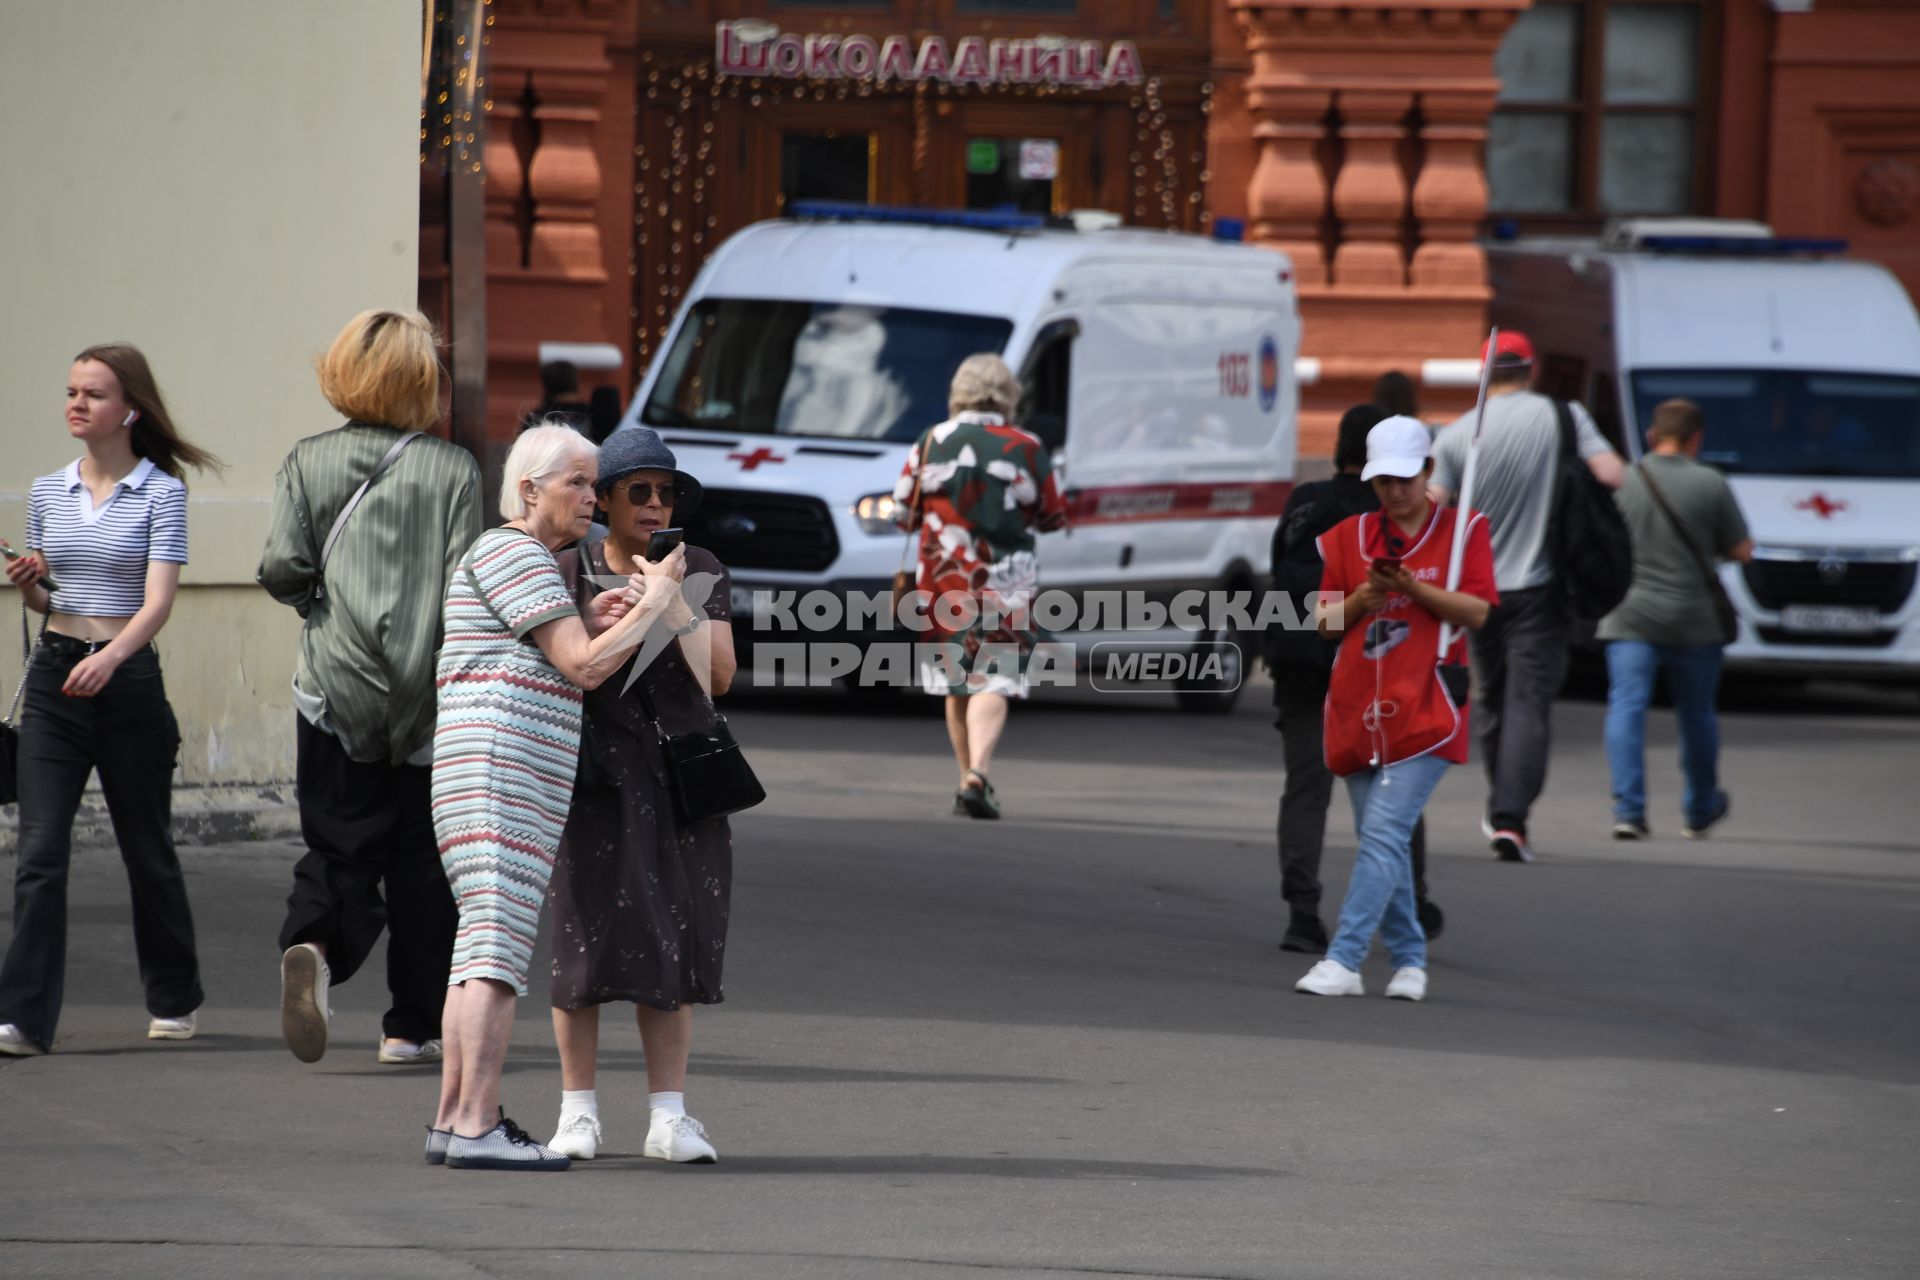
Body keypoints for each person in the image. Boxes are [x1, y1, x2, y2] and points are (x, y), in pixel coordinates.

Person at [426, 423, 681, 1172]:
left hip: (491, 771)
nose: (591, 500)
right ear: (529, 489)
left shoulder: (521, 558)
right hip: (501, 771)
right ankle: (475, 1122)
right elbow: (584, 667)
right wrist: (656, 600)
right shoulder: (515, 550)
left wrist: (605, 617)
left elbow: (557, 644)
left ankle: (452, 1120)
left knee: (477, 948)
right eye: (578, 483)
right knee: (497, 951)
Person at [257, 309, 484, 1067]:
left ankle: (316, 945)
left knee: (338, 843)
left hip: (333, 688)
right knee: (426, 865)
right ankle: (409, 1028)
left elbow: (280, 568)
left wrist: (324, 604)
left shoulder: (306, 460)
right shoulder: (453, 471)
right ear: (426, 381)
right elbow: (464, 587)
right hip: (430, 696)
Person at [0, 344, 221, 1057]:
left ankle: (174, 995)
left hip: (126, 681)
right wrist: (29, 582)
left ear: (128, 409)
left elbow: (157, 603)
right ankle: (25, 1019)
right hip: (55, 678)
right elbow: (46, 598)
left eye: (93, 393)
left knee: (146, 848)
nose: (76, 403)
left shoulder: (162, 491)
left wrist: (113, 658)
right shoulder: (46, 490)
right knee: (38, 853)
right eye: (71, 390)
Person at [545, 428, 738, 1165]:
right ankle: (578, 1113)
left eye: (668, 492)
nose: (657, 505)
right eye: (640, 492)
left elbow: (716, 678)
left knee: (675, 940)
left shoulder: (702, 567)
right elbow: (568, 668)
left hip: (682, 774)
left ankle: (669, 1117)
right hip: (592, 773)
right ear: (605, 500)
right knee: (581, 942)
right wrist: (628, 609)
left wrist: (672, 599)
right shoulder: (568, 568)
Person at [1295, 418, 1497, 1002]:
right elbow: (1325, 622)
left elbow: (1477, 612)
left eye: (1406, 477)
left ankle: (1345, 960)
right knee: (1380, 839)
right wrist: (1366, 595)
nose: (1395, 490)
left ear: (1428, 470)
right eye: (1382, 479)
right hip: (1359, 707)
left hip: (1429, 706)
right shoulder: (1346, 536)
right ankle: (1410, 959)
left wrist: (1414, 590)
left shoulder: (1465, 533)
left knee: (1383, 834)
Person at [1431, 331, 1624, 862]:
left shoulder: (1456, 434)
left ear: (1482, 375)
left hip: (1477, 594)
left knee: (1493, 699)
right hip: (1540, 587)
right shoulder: (1565, 417)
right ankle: (1510, 818)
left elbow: (1430, 509)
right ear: (1531, 370)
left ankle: (1500, 807)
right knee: (1529, 704)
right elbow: (1613, 475)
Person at [1266, 405, 1443, 955]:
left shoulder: (1303, 503)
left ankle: (1302, 911)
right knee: (1395, 793)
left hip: (1300, 664)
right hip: (1375, 670)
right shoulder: (1394, 513)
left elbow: (1280, 576)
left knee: (1306, 788)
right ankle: (1409, 899)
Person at [892, 353, 1067, 819]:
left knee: (956, 682)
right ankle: (979, 775)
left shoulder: (932, 441)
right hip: (1007, 583)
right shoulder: (1026, 446)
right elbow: (1052, 515)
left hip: (943, 583)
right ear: (1009, 395)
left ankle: (967, 777)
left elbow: (901, 514)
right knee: (997, 676)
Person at [1598, 399, 1752, 840]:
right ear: (1696, 439)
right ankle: (1700, 808)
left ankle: (1629, 810)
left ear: (1652, 435)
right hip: (1694, 617)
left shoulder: (1624, 480)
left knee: (1626, 707)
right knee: (1696, 714)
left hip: (1629, 614)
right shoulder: (1711, 483)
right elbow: (1743, 550)